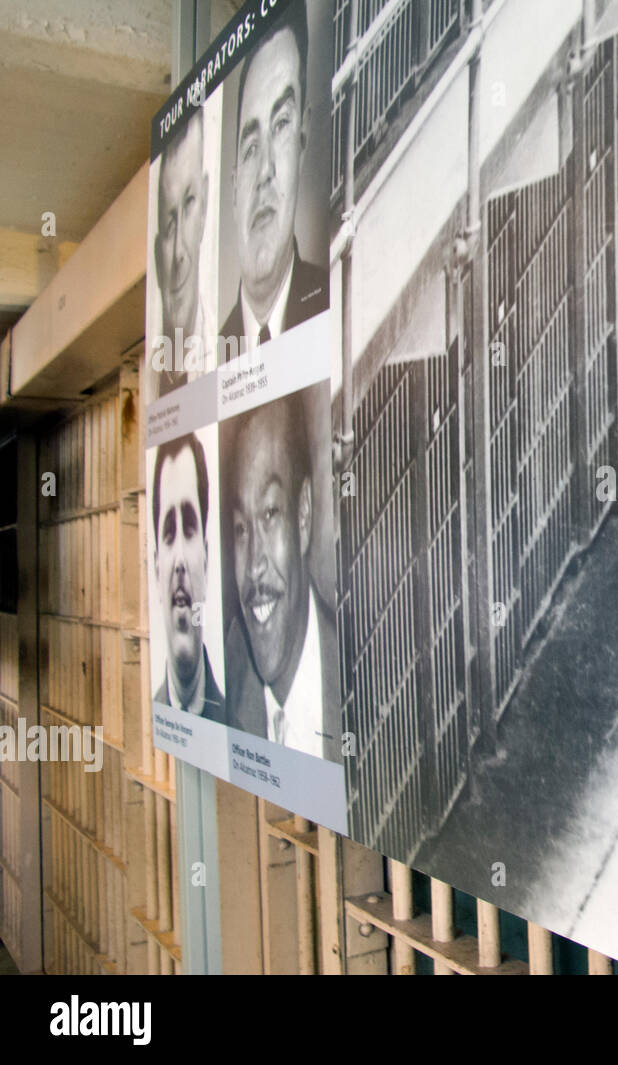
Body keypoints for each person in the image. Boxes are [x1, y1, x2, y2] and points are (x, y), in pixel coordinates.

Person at [222, 391, 342, 762]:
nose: (254, 565)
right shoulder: (223, 680)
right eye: (241, 528)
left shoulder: (361, 675)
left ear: (303, 516)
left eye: (271, 513)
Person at [220, 5, 327, 354]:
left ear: (303, 137)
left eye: (281, 124)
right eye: (250, 146)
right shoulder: (208, 355)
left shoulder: (331, 305)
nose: (265, 169)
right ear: (233, 186)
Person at [152, 433, 225, 721]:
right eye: (169, 533)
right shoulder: (149, 716)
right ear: (156, 569)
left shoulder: (237, 724)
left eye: (190, 527)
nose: (180, 559)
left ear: (206, 563)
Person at [153, 109, 215, 397]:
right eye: (168, 224)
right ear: (155, 256)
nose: (178, 252)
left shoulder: (228, 348)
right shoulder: (150, 380)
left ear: (204, 208)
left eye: (189, 204)